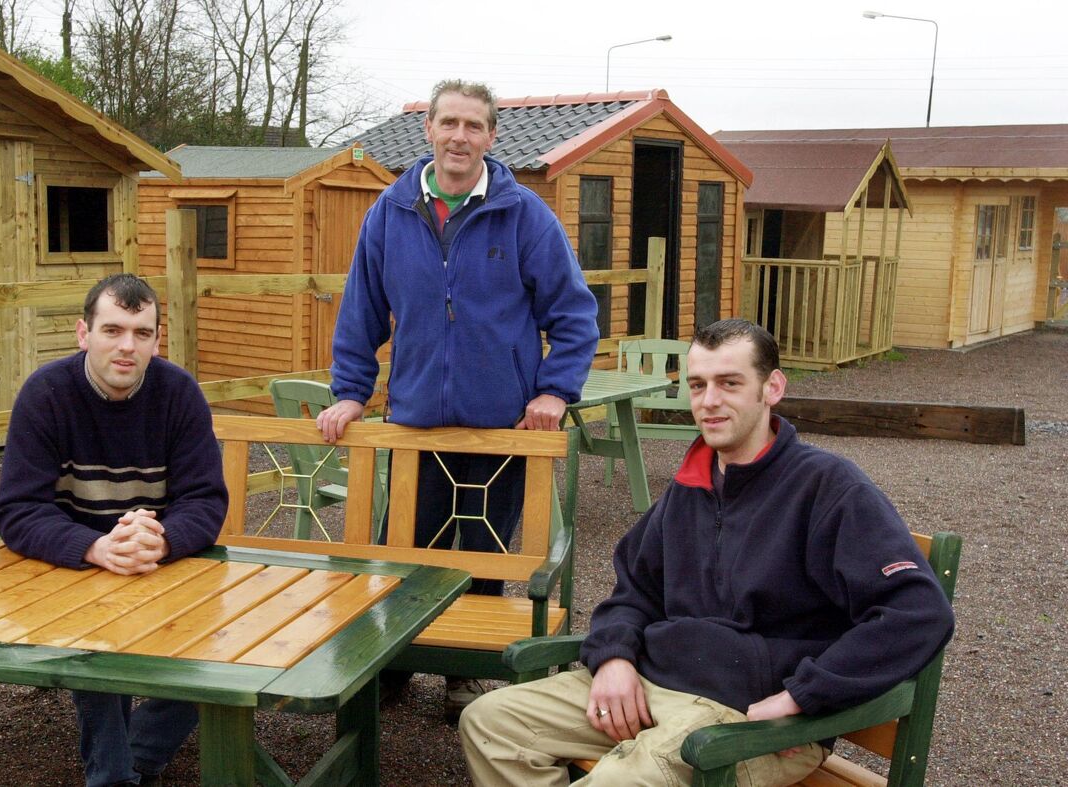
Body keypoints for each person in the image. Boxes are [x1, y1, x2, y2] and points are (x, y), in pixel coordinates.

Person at [459, 318, 956, 786]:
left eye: (730, 383)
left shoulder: (828, 488)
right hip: (656, 685)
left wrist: (804, 694)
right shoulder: (690, 485)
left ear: (773, 388)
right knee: (491, 723)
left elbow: (917, 612)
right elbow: (634, 588)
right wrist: (613, 658)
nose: (709, 401)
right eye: (698, 385)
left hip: (747, 717)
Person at [315, 79, 599, 719]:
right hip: (416, 423)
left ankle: (460, 677)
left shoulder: (525, 215)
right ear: (430, 131)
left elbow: (575, 317)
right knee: (402, 549)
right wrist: (352, 394)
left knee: (482, 551)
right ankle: (390, 664)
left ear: (492, 137)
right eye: (449, 123)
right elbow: (361, 313)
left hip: (500, 426)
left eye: (474, 126)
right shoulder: (389, 213)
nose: (460, 137)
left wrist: (555, 390)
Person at [0, 273, 228, 787]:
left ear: (156, 340)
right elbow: (17, 509)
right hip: (74, 571)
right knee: (94, 649)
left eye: (142, 333)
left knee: (218, 650)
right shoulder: (46, 394)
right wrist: (96, 547)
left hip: (159, 565)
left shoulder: (179, 394)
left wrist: (161, 539)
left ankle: (139, 757)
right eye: (112, 330)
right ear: (83, 333)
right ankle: (113, 777)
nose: (127, 346)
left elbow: (206, 498)